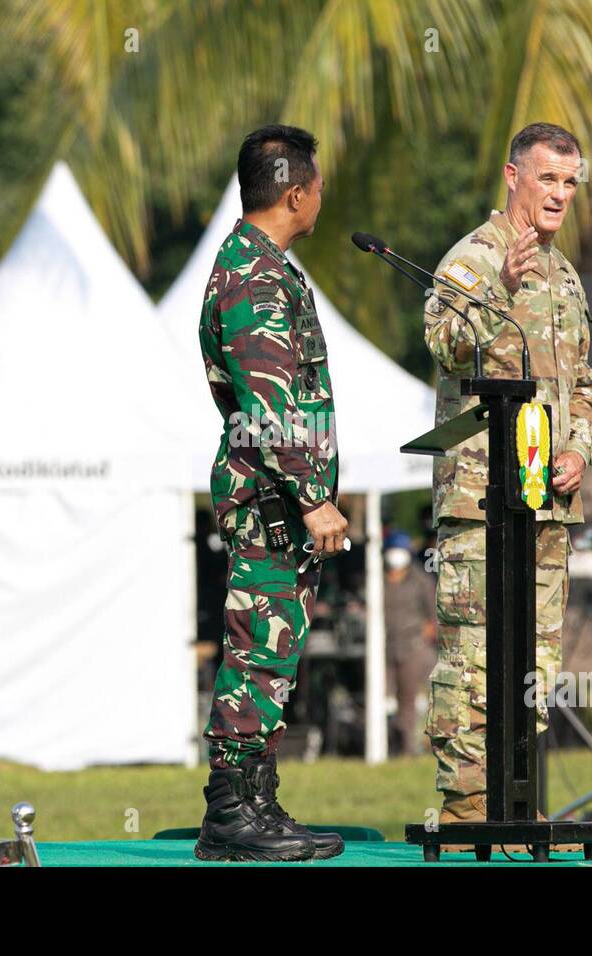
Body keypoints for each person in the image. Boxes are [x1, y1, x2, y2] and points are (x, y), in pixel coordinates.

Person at [422, 122, 592, 842]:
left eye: (569, 182)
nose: (559, 194)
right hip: (481, 500)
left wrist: (580, 449)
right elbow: (442, 344)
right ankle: (470, 812)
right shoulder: (474, 257)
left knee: (536, 661)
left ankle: (518, 798)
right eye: (547, 178)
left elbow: (585, 383)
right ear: (512, 176)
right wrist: (497, 288)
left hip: (546, 504)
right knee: (475, 660)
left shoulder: (564, 275)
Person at [194, 124, 348, 862]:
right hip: (272, 496)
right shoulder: (253, 275)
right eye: (317, 186)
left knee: (273, 653)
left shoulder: (264, 266)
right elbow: (267, 401)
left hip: (276, 496)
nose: (322, 198)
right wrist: (314, 495)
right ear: (296, 193)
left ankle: (257, 803)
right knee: (258, 652)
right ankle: (230, 815)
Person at [382, 530, 436, 755]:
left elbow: (433, 616)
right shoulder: (376, 577)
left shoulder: (421, 580)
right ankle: (384, 745)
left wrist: (422, 639)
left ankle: (406, 749)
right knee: (383, 699)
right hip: (383, 647)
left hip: (412, 648)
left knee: (408, 700)